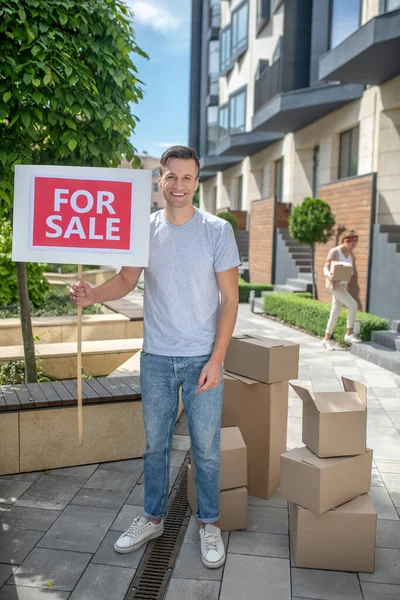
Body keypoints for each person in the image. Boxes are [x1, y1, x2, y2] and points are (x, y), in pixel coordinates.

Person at [69, 145, 240, 569]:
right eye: (171, 176)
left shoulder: (216, 230)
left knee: (208, 448)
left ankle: (209, 524)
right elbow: (126, 279)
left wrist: (217, 358)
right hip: (157, 357)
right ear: (159, 180)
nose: (178, 185)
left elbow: (231, 300)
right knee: (155, 446)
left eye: (187, 177)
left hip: (203, 356)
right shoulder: (141, 229)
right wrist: (91, 296)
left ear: (197, 182)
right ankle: (152, 518)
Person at [322, 229, 361, 349]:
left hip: (343, 285)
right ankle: (348, 334)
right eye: (351, 244)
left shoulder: (351, 255)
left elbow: (352, 270)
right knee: (353, 305)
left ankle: (326, 339)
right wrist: (329, 275)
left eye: (355, 245)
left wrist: (349, 271)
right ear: (345, 241)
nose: (353, 247)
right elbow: (325, 266)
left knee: (336, 311)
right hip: (334, 285)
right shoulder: (335, 251)